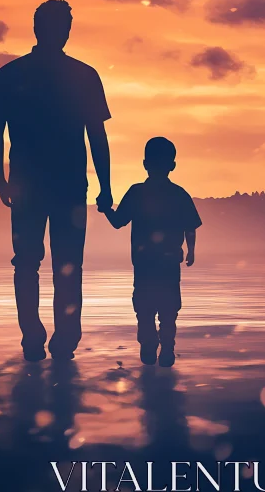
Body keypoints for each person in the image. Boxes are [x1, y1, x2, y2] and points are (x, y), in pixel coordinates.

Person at [0, 0, 112, 362]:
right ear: (60, 30)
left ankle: (37, 336)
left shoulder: (10, 74)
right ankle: (62, 338)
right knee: (66, 262)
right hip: (67, 184)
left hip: (32, 184)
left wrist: (1, 179)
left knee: (27, 261)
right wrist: (104, 185)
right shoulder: (83, 75)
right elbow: (97, 137)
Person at [99, 137, 201, 367]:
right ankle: (166, 347)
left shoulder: (137, 193)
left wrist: (106, 209)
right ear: (172, 165)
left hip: (144, 264)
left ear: (145, 164)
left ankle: (149, 343)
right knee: (168, 309)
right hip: (168, 264)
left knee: (144, 308)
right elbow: (190, 226)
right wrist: (191, 250)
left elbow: (117, 222)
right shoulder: (179, 194)